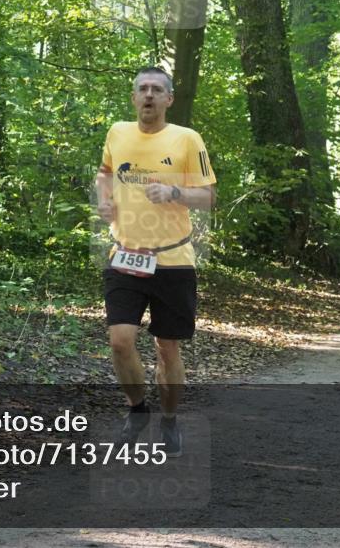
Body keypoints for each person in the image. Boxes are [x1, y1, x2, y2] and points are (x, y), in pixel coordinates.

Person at [95, 66, 216, 457]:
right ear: (133, 97)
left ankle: (169, 419)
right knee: (120, 341)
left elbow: (209, 197)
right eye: (142, 89)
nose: (148, 95)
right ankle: (137, 411)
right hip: (125, 256)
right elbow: (105, 174)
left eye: (156, 89)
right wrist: (104, 201)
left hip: (173, 260)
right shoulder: (117, 132)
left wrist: (175, 192)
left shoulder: (187, 139)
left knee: (167, 349)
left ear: (169, 99)